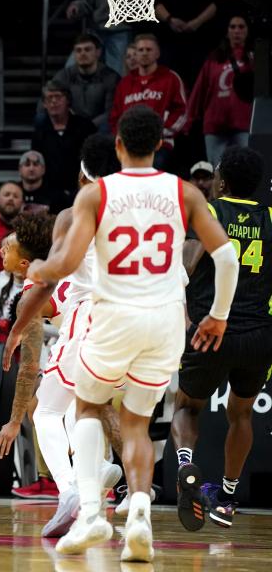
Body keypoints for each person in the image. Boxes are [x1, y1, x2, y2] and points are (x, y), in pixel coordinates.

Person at [28, 106, 237, 562]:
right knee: (137, 422)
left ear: (119, 144)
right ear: (160, 145)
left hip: (116, 316)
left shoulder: (95, 194)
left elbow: (64, 264)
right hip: (166, 321)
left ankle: (90, 514)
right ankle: (139, 510)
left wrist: (38, 267)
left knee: (86, 406)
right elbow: (226, 256)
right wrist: (218, 314)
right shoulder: (184, 192)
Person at [2, 134, 126, 527]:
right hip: (133, 319)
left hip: (91, 316)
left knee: (47, 410)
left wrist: (16, 329)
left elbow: (46, 290)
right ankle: (101, 471)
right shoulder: (132, 207)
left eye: (7, 248)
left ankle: (71, 486)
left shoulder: (75, 219)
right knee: (82, 405)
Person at [171, 146, 272, 531]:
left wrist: (180, 311)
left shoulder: (208, 213)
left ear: (221, 180)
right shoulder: (271, 219)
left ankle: (185, 465)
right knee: (241, 414)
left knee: (186, 407)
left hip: (209, 331)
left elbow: (185, 266)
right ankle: (228, 499)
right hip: (259, 333)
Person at [109, 35, 187, 168]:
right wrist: (122, 137)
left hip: (159, 144)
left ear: (157, 53)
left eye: (149, 50)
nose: (144, 53)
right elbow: (115, 116)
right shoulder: (125, 83)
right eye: (140, 50)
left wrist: (160, 133)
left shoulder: (170, 78)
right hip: (129, 146)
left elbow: (181, 112)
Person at [186, 16, 253, 166]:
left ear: (248, 31)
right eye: (233, 27)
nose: (237, 31)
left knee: (245, 170)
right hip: (215, 125)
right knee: (217, 174)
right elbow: (199, 89)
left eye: (241, 27)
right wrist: (189, 118)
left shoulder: (254, 57)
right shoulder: (214, 58)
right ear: (227, 31)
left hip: (244, 124)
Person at [34, 82, 97, 206]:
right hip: (49, 194)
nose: (53, 102)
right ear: (44, 104)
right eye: (49, 98)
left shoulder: (85, 127)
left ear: (68, 100)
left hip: (81, 191)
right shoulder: (40, 130)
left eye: (58, 97)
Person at [50, 34, 120, 132]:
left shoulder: (111, 77)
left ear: (98, 52)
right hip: (72, 123)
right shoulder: (64, 76)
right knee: (41, 118)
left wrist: (88, 125)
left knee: (107, 125)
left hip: (99, 125)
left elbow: (111, 111)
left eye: (87, 50)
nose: (82, 53)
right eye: (78, 50)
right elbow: (48, 101)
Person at [17, 150, 60, 214]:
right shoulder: (12, 192)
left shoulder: (57, 196)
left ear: (43, 169)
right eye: (27, 164)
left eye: (36, 164)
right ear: (20, 169)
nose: (31, 169)